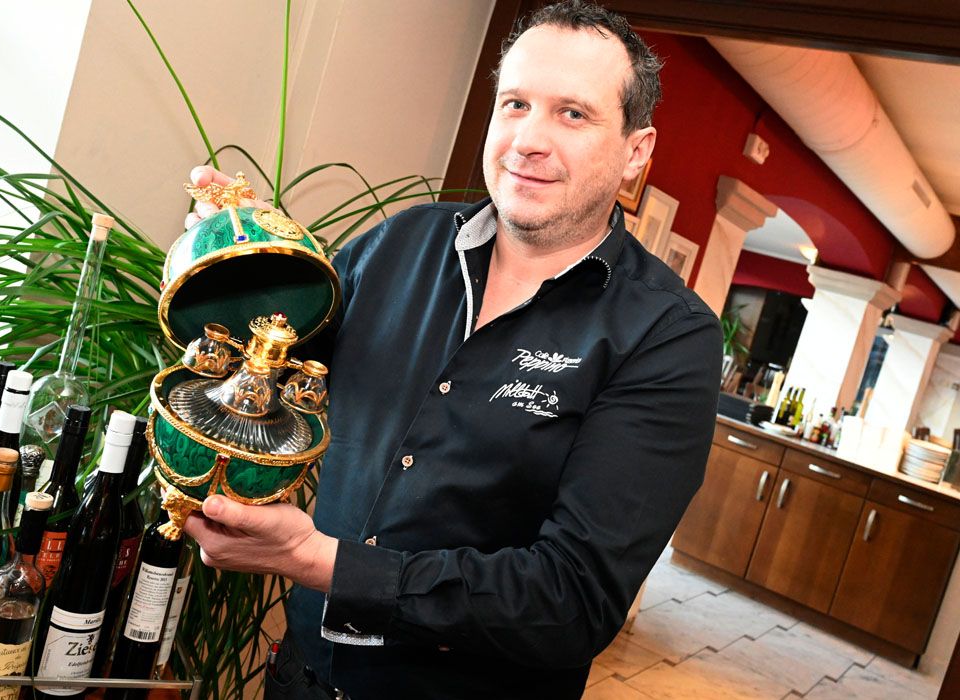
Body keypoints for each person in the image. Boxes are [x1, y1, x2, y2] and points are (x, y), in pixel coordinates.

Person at [183, 2, 722, 698]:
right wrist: (243, 268)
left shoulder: (667, 336)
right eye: (516, 103)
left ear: (636, 151)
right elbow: (273, 376)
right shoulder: (397, 245)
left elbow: (570, 601)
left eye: (572, 114)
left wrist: (316, 561)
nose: (528, 139)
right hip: (301, 680)